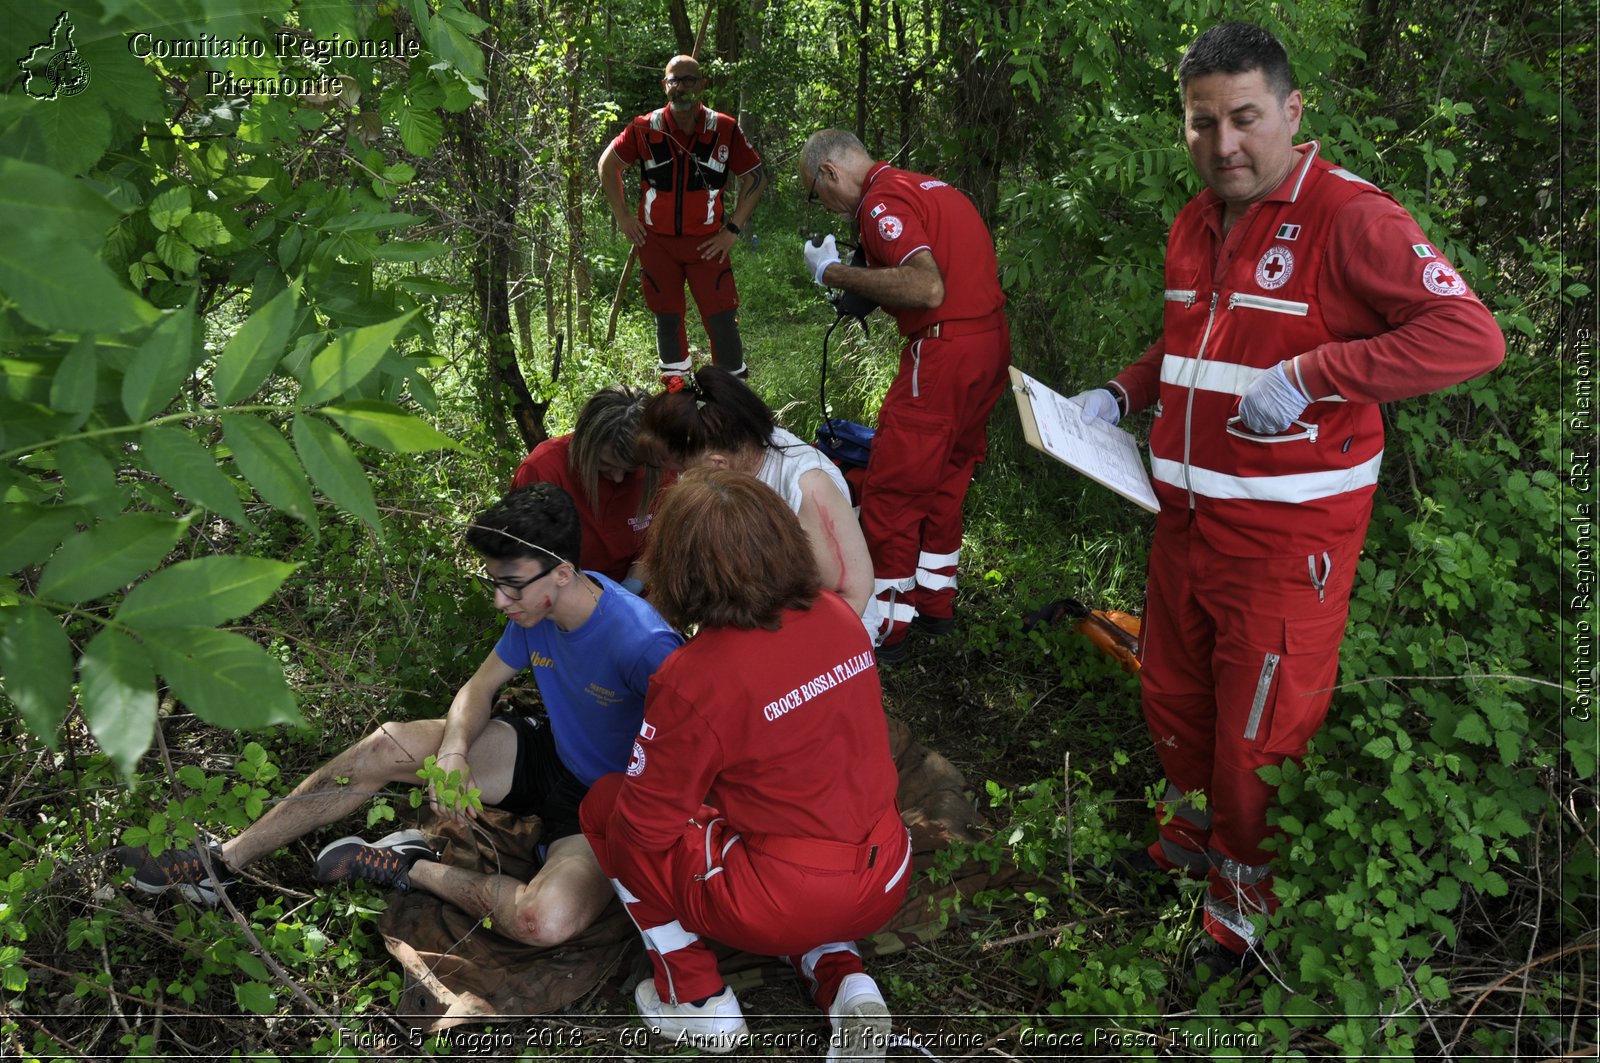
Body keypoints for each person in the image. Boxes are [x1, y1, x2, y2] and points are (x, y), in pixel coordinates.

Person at [1064, 22, 1504, 980]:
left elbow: (1470, 336)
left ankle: (1239, 922)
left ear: (1293, 113)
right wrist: (1120, 395)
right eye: (1202, 123)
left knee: (1257, 734)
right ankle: (1188, 846)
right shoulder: (1196, 219)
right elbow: (1186, 346)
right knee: (1173, 695)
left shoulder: (1351, 216)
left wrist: (1316, 373)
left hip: (1284, 541)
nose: (1225, 144)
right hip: (1181, 521)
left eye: (1246, 119)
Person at [116, 484, 683, 952]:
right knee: (385, 746)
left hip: (612, 801)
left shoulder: (642, 642)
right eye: (494, 583)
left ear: (562, 571)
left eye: (511, 584)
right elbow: (479, 688)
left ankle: (405, 864)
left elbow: (693, 757)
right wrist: (455, 754)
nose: (499, 601)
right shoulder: (535, 611)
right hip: (552, 754)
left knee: (546, 922)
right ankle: (224, 863)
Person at [580, 468, 910, 1059]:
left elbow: (644, 828)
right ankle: (843, 978)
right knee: (792, 832)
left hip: (788, 894)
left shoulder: (694, 677)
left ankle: (697, 1000)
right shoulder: (837, 616)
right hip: (885, 867)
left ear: (679, 569)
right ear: (782, 539)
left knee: (608, 809)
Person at [798, 129, 1011, 663]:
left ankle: (886, 629)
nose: (826, 207)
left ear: (829, 173)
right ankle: (935, 603)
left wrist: (834, 273)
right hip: (988, 347)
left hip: (942, 351)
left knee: (893, 486)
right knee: (947, 475)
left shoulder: (879, 202)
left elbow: (926, 288)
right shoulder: (925, 186)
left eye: (816, 193)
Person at [635, 364, 874, 625]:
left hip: (818, 632)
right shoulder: (723, 451)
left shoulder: (807, 486)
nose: (679, 478)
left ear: (718, 464)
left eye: (681, 468)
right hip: (756, 619)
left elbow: (853, 596)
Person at [599, 54, 766, 379]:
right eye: (675, 80)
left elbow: (755, 177)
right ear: (665, 86)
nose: (682, 87)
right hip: (656, 243)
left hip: (708, 244)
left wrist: (733, 228)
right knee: (667, 318)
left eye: (690, 80)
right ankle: (677, 396)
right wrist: (622, 217)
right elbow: (608, 165)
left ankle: (732, 399)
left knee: (722, 319)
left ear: (702, 85)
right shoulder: (645, 128)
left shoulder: (724, 128)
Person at [510, 385, 661, 591]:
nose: (617, 478)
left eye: (629, 469)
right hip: (561, 598)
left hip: (638, 602)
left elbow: (659, 543)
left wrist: (633, 586)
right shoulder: (543, 472)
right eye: (605, 464)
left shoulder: (656, 469)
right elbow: (528, 561)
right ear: (585, 444)